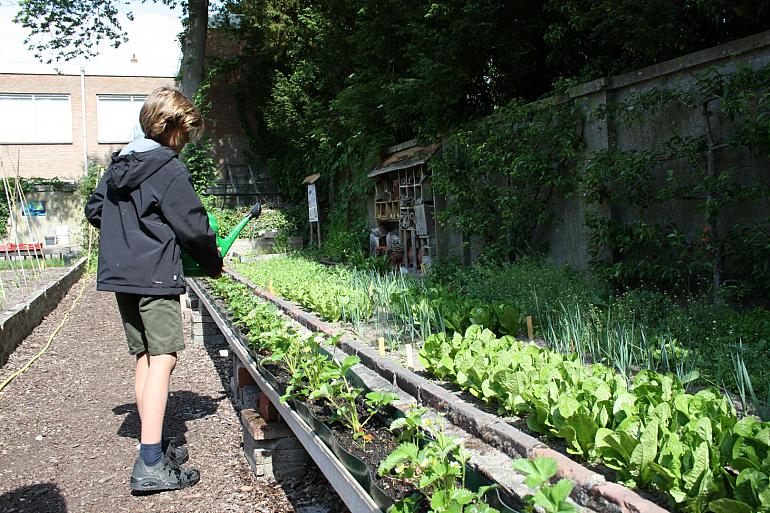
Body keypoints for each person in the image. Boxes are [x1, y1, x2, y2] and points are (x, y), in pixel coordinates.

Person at [85, 87, 222, 492]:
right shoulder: (167, 167)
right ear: (171, 127)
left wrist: (127, 235)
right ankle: (149, 463)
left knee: (145, 355)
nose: (185, 142)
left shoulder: (118, 164)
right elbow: (194, 225)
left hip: (121, 276)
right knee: (164, 358)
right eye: (185, 133)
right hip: (155, 275)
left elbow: (96, 210)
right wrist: (212, 263)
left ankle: (154, 443)